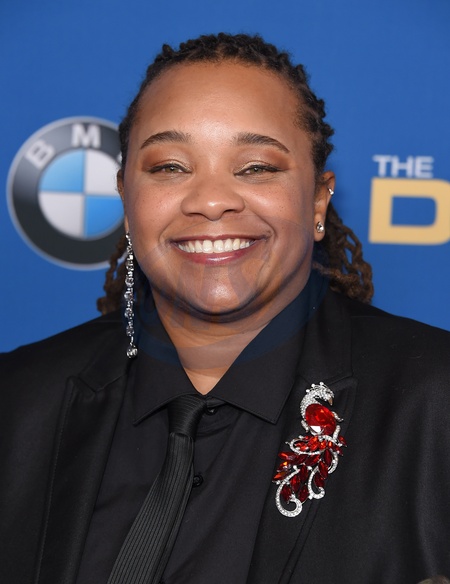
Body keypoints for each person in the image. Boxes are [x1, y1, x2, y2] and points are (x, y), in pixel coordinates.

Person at [1, 33, 450, 584]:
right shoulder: (17, 402)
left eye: (256, 167)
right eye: (170, 166)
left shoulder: (433, 402)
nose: (212, 201)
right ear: (125, 197)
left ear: (318, 198)